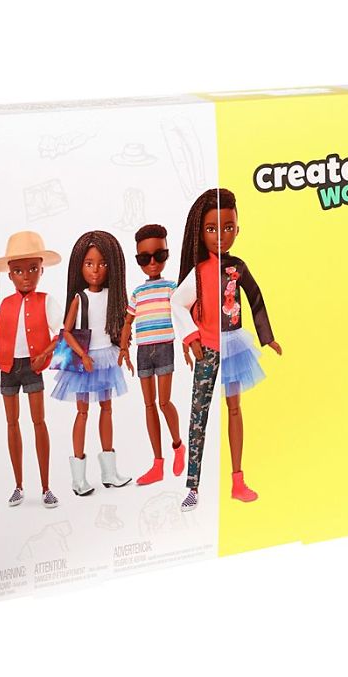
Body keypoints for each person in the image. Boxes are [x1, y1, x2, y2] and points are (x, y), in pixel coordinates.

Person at [171, 188, 282, 512]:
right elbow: (177, 302)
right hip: (207, 347)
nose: (221, 235)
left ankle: (237, 480)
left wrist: (266, 337)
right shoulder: (199, 271)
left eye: (228, 227)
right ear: (200, 232)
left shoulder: (238, 267)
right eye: (212, 228)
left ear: (238, 228)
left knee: (235, 409)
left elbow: (255, 298)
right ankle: (192, 486)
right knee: (199, 415)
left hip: (234, 347)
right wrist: (191, 337)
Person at [0, 231, 63, 508]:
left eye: (32, 269)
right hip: (8, 367)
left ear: (41, 269)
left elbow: (63, 331)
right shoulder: (5, 305)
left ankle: (46, 487)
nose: (26, 276)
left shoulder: (46, 301)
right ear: (9, 275)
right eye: (18, 271)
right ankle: (18, 485)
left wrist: (46, 353)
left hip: (33, 367)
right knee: (12, 423)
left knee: (39, 422)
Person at [52, 230, 130, 494]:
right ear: (79, 266)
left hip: (106, 357)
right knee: (82, 412)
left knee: (107, 409)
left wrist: (123, 348)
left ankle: (109, 471)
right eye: (89, 263)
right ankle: (78, 478)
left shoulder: (113, 296)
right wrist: (83, 355)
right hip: (85, 360)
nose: (95, 270)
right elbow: (66, 331)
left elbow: (122, 325)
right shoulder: (80, 298)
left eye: (102, 263)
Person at [119, 224, 185, 486]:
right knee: (149, 405)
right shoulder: (137, 293)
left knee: (164, 402)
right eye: (144, 259)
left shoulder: (171, 287)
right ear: (138, 260)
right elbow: (127, 322)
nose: (153, 263)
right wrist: (124, 349)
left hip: (165, 347)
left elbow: (182, 315)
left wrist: (188, 343)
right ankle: (157, 463)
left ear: (167, 254)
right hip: (143, 351)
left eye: (160, 255)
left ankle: (178, 445)